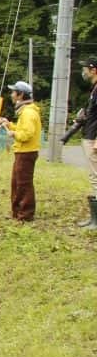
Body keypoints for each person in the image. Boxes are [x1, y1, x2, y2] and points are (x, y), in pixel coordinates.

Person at [0, 80, 42, 222]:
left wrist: (13, 134)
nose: (11, 95)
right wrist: (9, 124)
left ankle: (25, 215)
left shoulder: (28, 113)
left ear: (20, 94)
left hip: (26, 152)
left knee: (23, 184)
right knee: (16, 183)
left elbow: (27, 134)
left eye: (13, 92)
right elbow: (22, 129)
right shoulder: (25, 112)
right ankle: (17, 213)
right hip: (22, 152)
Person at [76, 57, 97, 230]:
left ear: (93, 70)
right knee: (94, 176)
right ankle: (94, 219)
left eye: (85, 69)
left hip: (93, 138)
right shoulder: (94, 88)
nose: (83, 72)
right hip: (89, 135)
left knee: (96, 177)